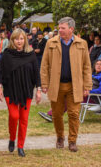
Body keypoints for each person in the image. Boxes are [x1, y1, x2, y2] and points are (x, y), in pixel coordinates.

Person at [40, 17, 92, 152]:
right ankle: (60, 137)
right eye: (59, 27)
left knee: (74, 114)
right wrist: (44, 83)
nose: (59, 30)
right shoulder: (51, 43)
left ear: (71, 29)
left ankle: (72, 141)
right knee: (57, 114)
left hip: (75, 85)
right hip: (56, 85)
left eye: (63, 28)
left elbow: (87, 66)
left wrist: (87, 86)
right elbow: (44, 64)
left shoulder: (82, 43)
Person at [0, 29, 41, 157]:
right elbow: (1, 72)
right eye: (16, 39)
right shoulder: (7, 53)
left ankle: (20, 146)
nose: (19, 41)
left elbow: (36, 73)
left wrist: (38, 90)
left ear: (25, 39)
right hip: (10, 90)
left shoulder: (30, 54)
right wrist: (0, 88)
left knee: (24, 120)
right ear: (12, 40)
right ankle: (12, 138)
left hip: (26, 91)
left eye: (21, 38)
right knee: (14, 116)